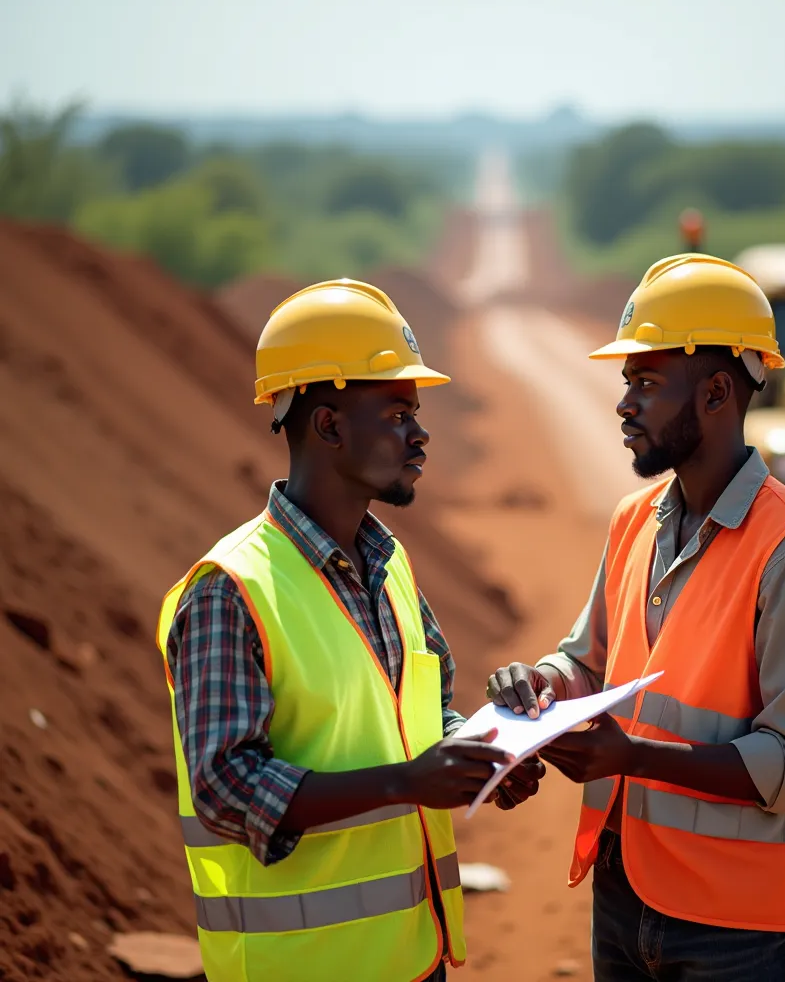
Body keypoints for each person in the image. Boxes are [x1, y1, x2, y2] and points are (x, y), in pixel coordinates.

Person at [156, 278, 544, 982]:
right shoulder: (231, 590)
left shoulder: (387, 562)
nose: (421, 434)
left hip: (411, 958)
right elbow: (224, 788)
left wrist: (490, 753)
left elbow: (420, 724)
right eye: (398, 412)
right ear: (329, 425)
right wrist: (408, 782)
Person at [487, 255, 785, 982]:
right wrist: (541, 684)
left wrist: (635, 759)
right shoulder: (635, 521)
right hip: (625, 895)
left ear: (719, 391)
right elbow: (585, 662)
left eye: (647, 384)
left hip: (739, 930)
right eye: (628, 383)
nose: (625, 404)